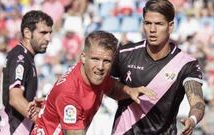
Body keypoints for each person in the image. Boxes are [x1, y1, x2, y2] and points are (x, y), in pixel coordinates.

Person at [29, 30, 157, 135]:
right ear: (83, 57)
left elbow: (111, 88)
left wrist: (130, 91)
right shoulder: (70, 93)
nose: (100, 67)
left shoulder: (92, 73)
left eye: (106, 61)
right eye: (95, 59)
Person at [110, 0, 205, 135]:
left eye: (159, 24)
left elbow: (197, 103)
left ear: (170, 26)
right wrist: (128, 90)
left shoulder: (186, 63)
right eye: (148, 23)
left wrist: (193, 119)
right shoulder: (124, 54)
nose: (152, 30)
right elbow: (107, 87)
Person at [0, 10, 53, 135]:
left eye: (50, 33)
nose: (48, 38)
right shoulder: (20, 57)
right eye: (43, 33)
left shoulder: (27, 57)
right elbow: (15, 99)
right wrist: (44, 124)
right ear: (27, 33)